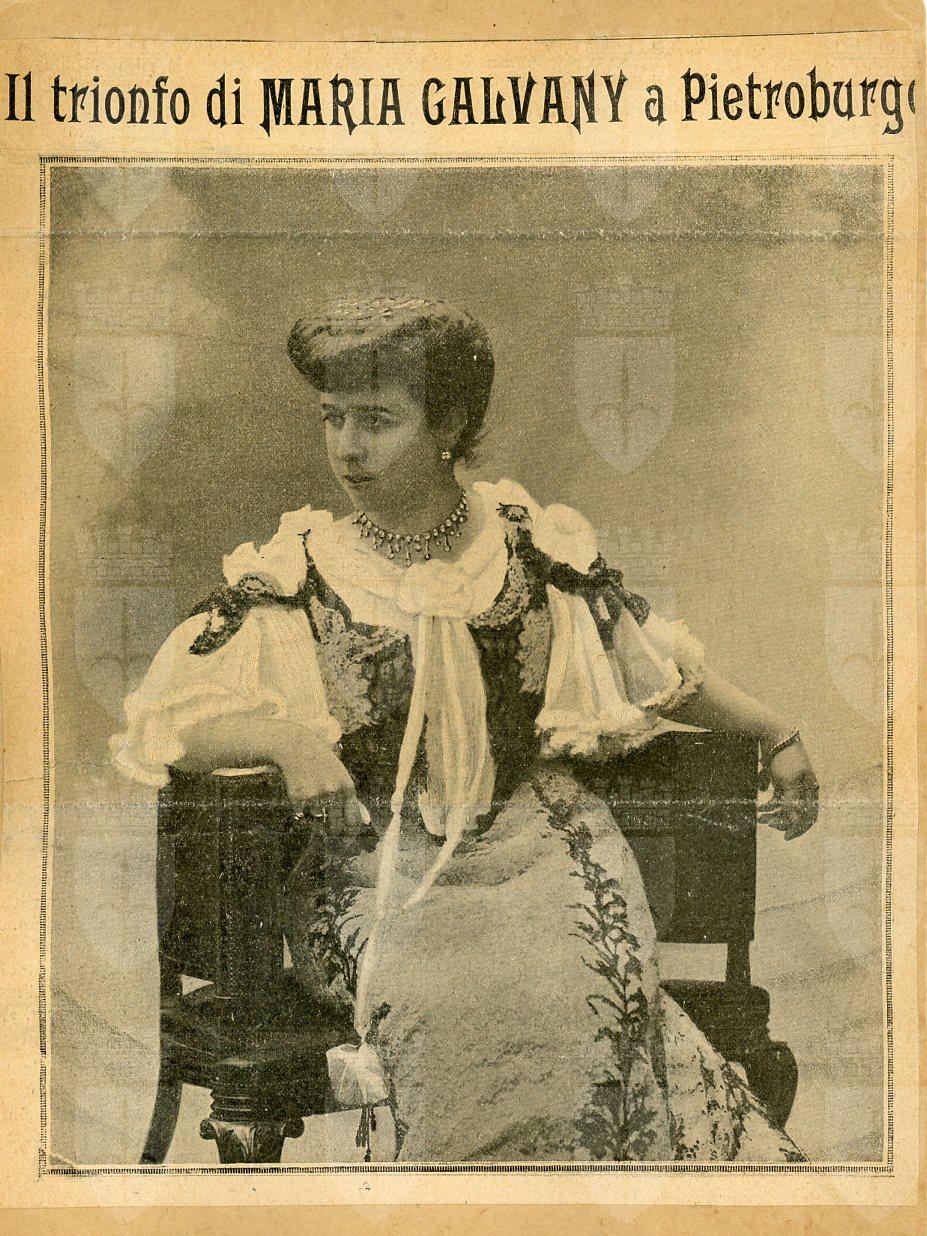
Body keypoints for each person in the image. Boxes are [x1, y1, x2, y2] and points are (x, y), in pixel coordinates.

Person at [111, 295, 819, 1163]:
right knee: (446, 996)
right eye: (332, 418)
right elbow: (171, 721)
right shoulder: (302, 569)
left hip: (541, 848)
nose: (346, 447)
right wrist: (285, 742)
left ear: (447, 425)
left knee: (581, 985)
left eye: (376, 421)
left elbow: (654, 667)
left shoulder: (530, 552)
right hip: (371, 866)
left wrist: (776, 732)